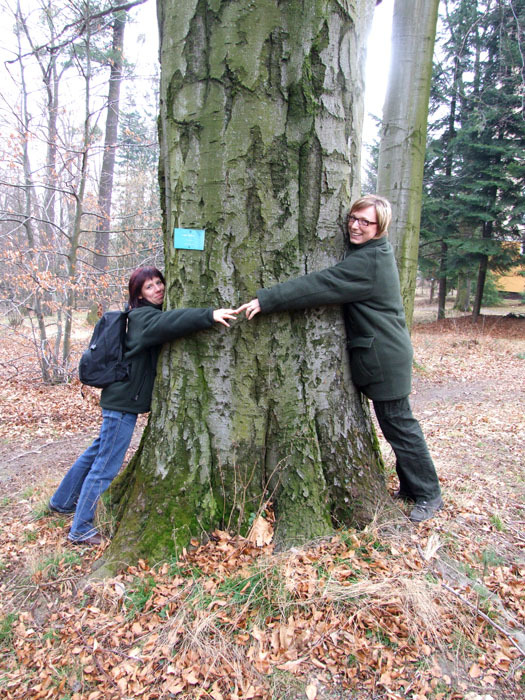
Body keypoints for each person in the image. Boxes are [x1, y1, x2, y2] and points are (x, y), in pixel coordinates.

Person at [236, 194, 443, 523]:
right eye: (353, 219)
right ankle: (410, 487)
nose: (356, 227)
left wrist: (268, 299)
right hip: (384, 351)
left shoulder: (369, 261)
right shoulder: (370, 252)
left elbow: (321, 284)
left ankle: (429, 494)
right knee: (396, 424)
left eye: (366, 222)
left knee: (399, 425)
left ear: (380, 227)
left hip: (385, 356)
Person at [50, 266, 237, 545]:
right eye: (149, 286)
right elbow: (170, 322)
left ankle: (62, 501)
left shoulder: (141, 315)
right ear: (138, 295)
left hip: (120, 400)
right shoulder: (141, 318)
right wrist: (209, 315)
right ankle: (81, 528)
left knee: (96, 453)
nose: (158, 289)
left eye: (159, 282)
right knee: (105, 466)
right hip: (122, 404)